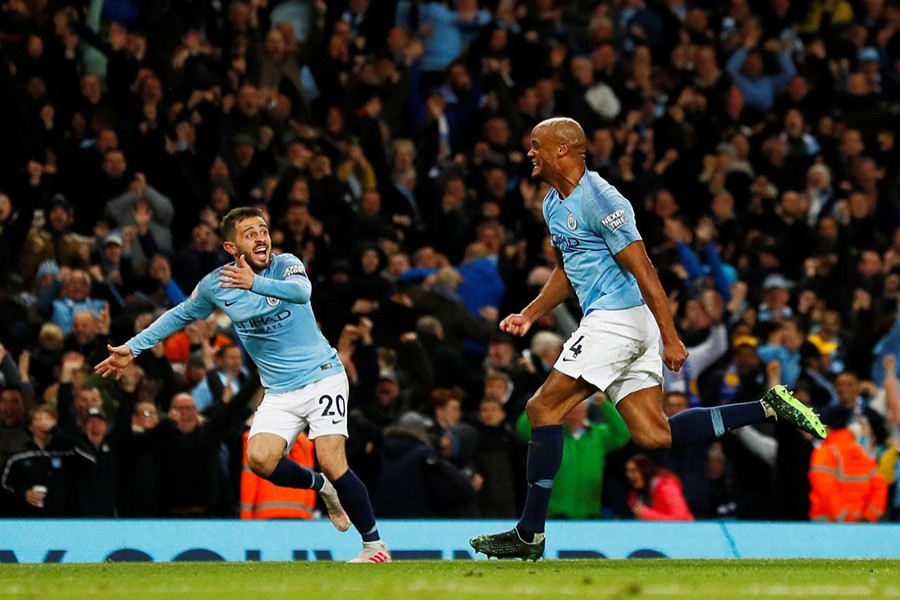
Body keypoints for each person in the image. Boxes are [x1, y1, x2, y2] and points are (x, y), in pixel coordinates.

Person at [470, 117, 827, 560]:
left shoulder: (602, 200)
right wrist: (530, 313)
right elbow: (568, 269)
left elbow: (644, 269)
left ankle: (529, 534)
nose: (530, 153)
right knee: (655, 435)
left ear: (563, 150)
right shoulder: (551, 203)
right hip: (622, 323)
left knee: (542, 407)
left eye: (536, 145)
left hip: (617, 320)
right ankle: (767, 406)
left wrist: (672, 337)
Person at [96, 207, 389, 563]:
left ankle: (374, 547)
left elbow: (301, 292)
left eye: (263, 230)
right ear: (231, 248)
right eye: (249, 233)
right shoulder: (216, 285)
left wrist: (255, 283)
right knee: (261, 459)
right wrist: (132, 347)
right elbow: (179, 315)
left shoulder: (286, 265)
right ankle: (322, 488)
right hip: (279, 391)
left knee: (330, 458)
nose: (261, 237)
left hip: (322, 376)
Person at [625, 454, 694, 521]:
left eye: (634, 470)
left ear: (645, 470)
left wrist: (648, 515)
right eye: (628, 471)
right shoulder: (635, 496)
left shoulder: (667, 489)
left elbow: (683, 519)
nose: (629, 475)